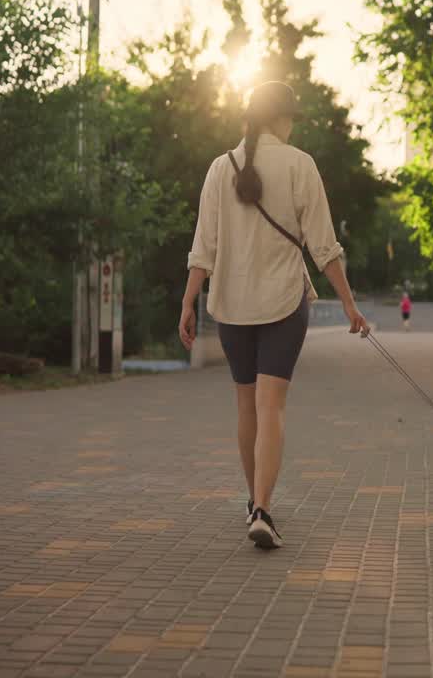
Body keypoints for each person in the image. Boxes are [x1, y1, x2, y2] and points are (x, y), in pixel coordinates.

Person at [177, 81, 369, 550]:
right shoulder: (300, 165)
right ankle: (262, 508)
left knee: (247, 406)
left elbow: (205, 245)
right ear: (280, 119)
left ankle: (253, 502)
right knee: (271, 406)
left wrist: (188, 301)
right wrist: (347, 302)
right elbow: (324, 246)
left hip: (230, 306)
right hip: (283, 303)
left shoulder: (220, 168)